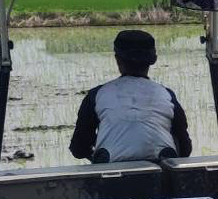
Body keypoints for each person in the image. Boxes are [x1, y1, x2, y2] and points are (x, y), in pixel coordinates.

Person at [69, 30, 193, 163]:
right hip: (161, 173)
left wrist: (98, 155)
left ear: (117, 59)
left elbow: (78, 148)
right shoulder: (166, 95)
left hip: (110, 177)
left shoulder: (97, 95)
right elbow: (185, 148)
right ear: (153, 60)